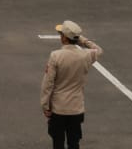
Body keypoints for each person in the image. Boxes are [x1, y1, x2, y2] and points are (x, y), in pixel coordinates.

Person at [41, 20, 102, 149]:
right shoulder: (86, 55)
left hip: (59, 108)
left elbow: (48, 83)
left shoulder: (56, 56)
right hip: (76, 107)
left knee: (58, 143)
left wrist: (45, 104)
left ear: (64, 38)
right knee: (74, 143)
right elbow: (98, 50)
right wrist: (83, 40)